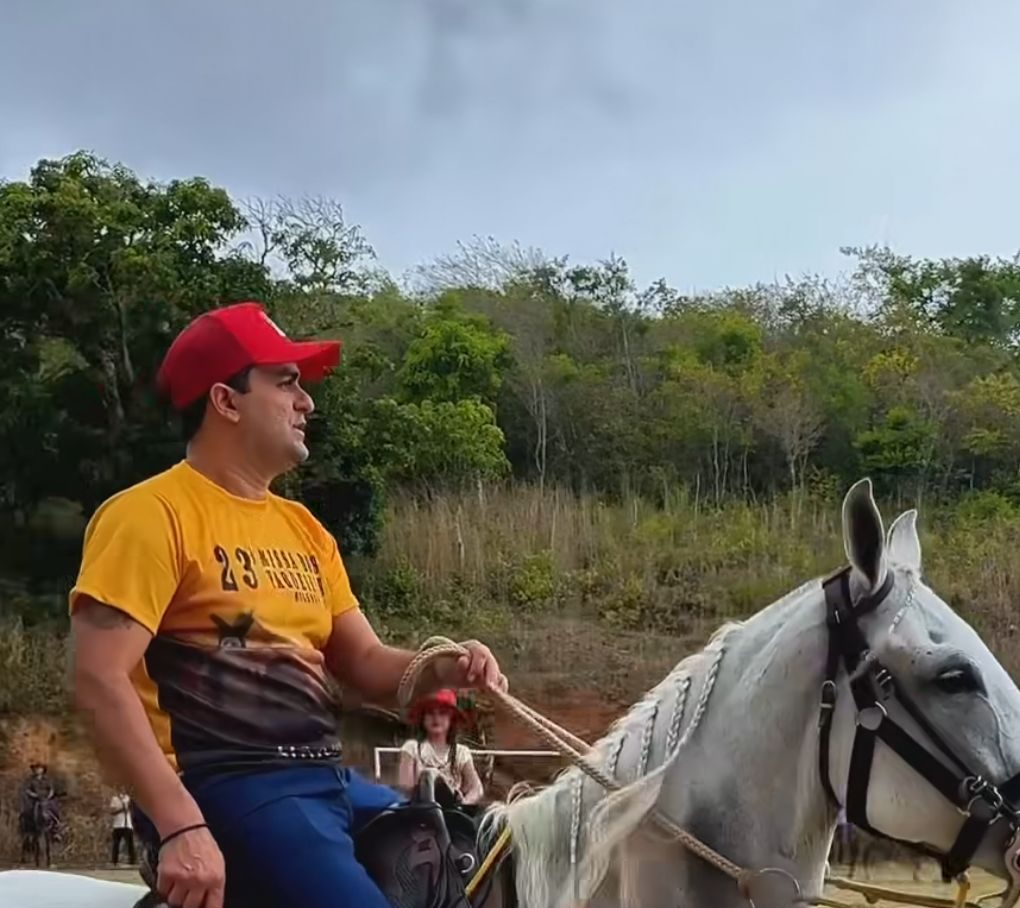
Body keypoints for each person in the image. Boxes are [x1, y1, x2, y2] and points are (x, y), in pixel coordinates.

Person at [69, 301, 507, 908]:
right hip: (223, 784)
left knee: (479, 861)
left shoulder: (305, 529)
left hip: (324, 780)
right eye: (287, 382)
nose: (308, 402)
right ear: (226, 401)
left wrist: (443, 666)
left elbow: (367, 663)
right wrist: (179, 824)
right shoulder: (149, 515)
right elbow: (97, 675)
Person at [398, 689, 484, 806]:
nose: (436, 718)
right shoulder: (412, 748)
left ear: (451, 719)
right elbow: (405, 787)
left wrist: (464, 802)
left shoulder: (460, 752)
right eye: (430, 713)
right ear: (423, 718)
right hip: (420, 811)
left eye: (442, 713)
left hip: (451, 812)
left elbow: (476, 788)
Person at [109, 789, 136, 865]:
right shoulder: (115, 799)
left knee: (130, 844)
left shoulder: (129, 798)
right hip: (118, 824)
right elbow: (112, 811)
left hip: (128, 824)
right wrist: (121, 809)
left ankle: (132, 861)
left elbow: (133, 810)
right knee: (116, 844)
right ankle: (114, 861)